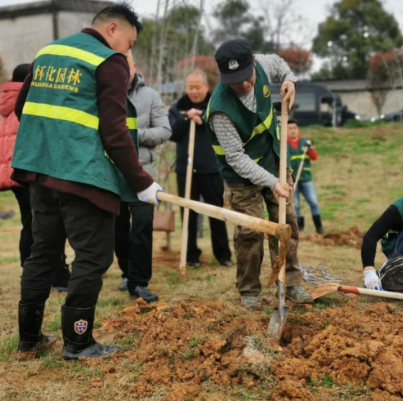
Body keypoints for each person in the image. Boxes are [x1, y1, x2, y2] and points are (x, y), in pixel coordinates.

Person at [11, 3, 162, 360]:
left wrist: (55, 138)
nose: (129, 52)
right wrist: (141, 182)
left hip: (39, 172)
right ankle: (79, 342)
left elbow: (22, 108)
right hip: (82, 177)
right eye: (129, 42)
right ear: (113, 29)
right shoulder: (108, 61)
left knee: (42, 254)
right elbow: (115, 132)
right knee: (93, 258)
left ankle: (28, 340)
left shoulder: (49, 52)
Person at [205, 38, 313, 309]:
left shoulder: (263, 64)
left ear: (253, 62)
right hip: (240, 177)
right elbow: (237, 159)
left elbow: (279, 64)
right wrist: (272, 182)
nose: (243, 85)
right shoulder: (219, 110)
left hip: (274, 159)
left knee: (286, 224)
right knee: (251, 231)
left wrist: (290, 79)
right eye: (234, 80)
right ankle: (250, 290)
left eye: (245, 76)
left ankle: (292, 283)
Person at [0, 64, 70, 292]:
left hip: (14, 172)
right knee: (45, 223)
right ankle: (51, 276)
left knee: (30, 223)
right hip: (26, 171)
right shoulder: (26, 102)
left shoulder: (8, 100)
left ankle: (30, 272)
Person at [115, 50, 172, 301]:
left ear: (133, 65)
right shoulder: (104, 93)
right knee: (117, 229)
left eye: (125, 62)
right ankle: (126, 273)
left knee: (142, 226)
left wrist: (134, 135)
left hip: (143, 171)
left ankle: (139, 282)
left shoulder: (150, 96)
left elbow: (164, 130)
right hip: (112, 172)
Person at [169, 69, 233, 268]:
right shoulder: (178, 108)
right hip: (185, 170)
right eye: (190, 87)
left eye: (198, 87)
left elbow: (222, 127)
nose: (194, 91)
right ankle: (191, 256)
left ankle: (223, 255)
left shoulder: (216, 105)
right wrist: (186, 118)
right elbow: (172, 133)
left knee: (216, 213)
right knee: (188, 215)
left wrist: (203, 118)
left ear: (206, 87)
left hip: (211, 169)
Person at [287, 120, 324, 234]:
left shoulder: (305, 143)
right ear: (286, 130)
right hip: (292, 180)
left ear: (298, 129)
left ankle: (319, 227)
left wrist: (311, 148)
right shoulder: (284, 145)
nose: (292, 130)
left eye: (294, 128)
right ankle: (300, 228)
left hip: (306, 179)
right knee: (296, 205)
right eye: (290, 128)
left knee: (313, 202)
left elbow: (314, 157)